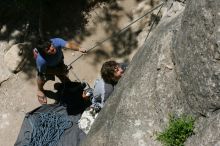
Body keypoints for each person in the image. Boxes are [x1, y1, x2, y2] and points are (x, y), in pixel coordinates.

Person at [35, 38, 87, 104]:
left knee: (66, 80)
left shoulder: (56, 41)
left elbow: (68, 45)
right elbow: (44, 71)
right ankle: (40, 90)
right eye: (47, 49)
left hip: (59, 62)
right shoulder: (41, 60)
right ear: (43, 53)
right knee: (41, 78)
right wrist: (59, 71)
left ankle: (61, 85)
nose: (51, 48)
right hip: (47, 68)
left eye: (50, 45)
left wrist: (79, 48)